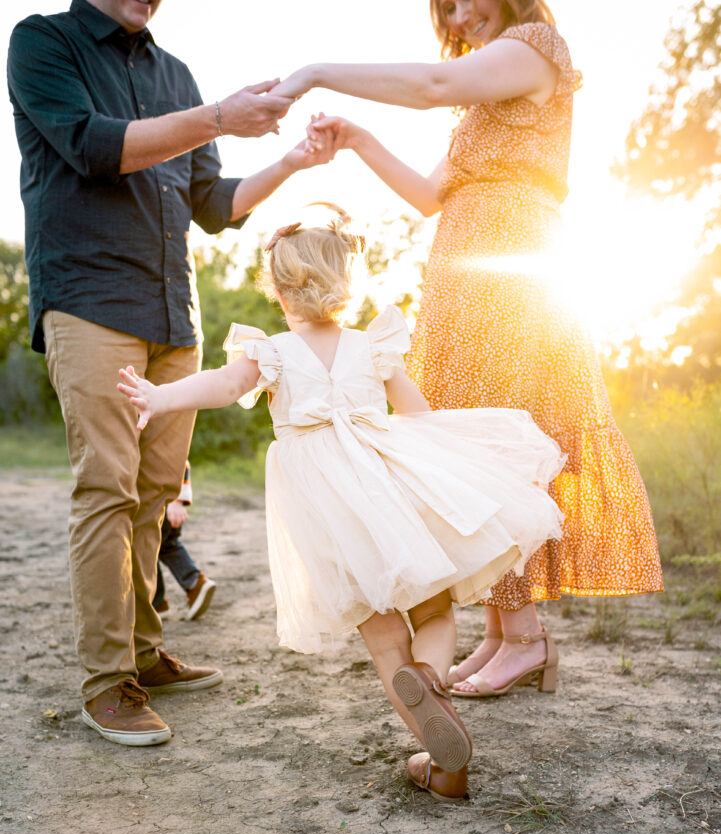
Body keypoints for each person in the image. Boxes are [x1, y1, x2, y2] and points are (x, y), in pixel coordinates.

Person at [273, 0, 664, 698]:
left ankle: (524, 639)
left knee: (492, 442)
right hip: (462, 267)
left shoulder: (534, 45)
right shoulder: (481, 108)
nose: (455, 16)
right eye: (443, 8)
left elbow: (432, 86)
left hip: (512, 265)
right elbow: (428, 195)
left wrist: (317, 73)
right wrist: (359, 138)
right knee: (465, 446)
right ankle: (501, 632)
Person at [118, 214, 565, 799]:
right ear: (344, 281)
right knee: (433, 614)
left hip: (333, 512)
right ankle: (429, 683)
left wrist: (159, 395)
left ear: (277, 290)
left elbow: (223, 388)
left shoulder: (270, 351)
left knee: (383, 641)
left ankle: (441, 758)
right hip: (394, 491)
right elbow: (421, 420)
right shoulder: (374, 345)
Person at [7, 0, 334, 746]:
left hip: (172, 316)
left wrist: (290, 161)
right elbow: (94, 148)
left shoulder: (177, 74)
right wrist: (219, 115)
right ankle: (105, 680)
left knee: (157, 493)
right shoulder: (41, 42)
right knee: (108, 489)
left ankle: (145, 655)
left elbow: (211, 206)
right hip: (89, 300)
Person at [153, 462, 216, 621]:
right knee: (167, 546)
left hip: (162, 502)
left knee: (145, 550)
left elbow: (180, 458)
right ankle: (194, 584)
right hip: (161, 501)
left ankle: (156, 602)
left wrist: (176, 500)